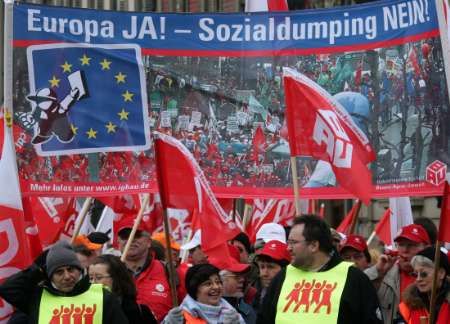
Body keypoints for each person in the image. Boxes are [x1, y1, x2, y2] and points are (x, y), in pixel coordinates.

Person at [258, 215, 383, 323]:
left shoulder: (354, 279)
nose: (288, 248)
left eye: (293, 242)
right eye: (288, 242)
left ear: (313, 245)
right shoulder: (283, 277)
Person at [0, 241, 128, 324]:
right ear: (50, 276)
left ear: (79, 270)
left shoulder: (102, 296)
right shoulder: (38, 299)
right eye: (59, 272)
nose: (67, 276)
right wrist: (39, 270)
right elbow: (8, 289)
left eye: (71, 269)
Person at [365, 224, 431, 324]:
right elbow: (358, 290)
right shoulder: (385, 274)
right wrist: (378, 271)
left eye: (411, 245)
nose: (405, 250)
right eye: (401, 245)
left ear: (427, 248)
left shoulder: (436, 278)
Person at [116, 218, 173, 322]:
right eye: (125, 236)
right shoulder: (109, 271)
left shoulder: (170, 272)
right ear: (118, 242)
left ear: (149, 242)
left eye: (137, 235)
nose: (131, 239)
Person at [163, 264, 245, 323]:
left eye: (218, 282)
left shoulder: (231, 314)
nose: (216, 287)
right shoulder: (180, 317)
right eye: (208, 284)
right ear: (194, 289)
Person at [89, 254, 158, 324]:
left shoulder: (138, 312)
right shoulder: (85, 310)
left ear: (116, 278)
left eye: (99, 277)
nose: (93, 283)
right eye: (91, 278)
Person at [398, 247, 450, 323]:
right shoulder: (408, 305)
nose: (418, 279)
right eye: (415, 274)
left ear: (441, 273)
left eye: (424, 274)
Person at [218, 245, 256, 324]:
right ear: (220, 278)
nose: (242, 279)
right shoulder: (205, 310)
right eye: (236, 276)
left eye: (242, 275)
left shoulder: (248, 312)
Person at [252, 240, 290, 314]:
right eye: (262, 267)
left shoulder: (294, 298)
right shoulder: (252, 294)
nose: (264, 274)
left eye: (270, 267)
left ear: (286, 269)